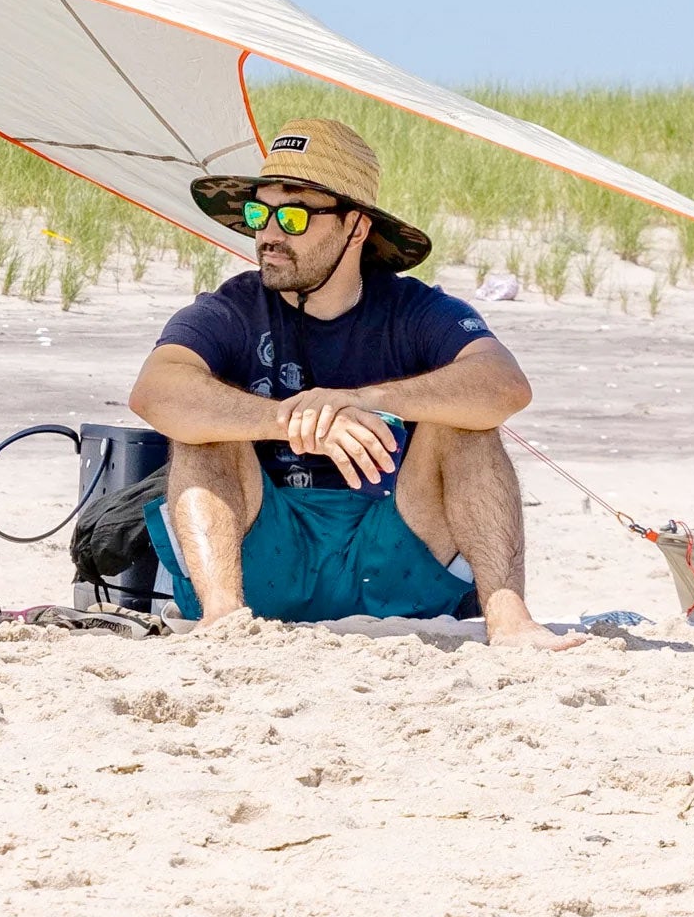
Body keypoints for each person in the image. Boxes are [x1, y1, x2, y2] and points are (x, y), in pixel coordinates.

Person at [129, 118, 584, 651]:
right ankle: (222, 617)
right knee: (202, 427)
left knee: (468, 423)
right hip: (262, 556)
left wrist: (363, 401)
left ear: (356, 227)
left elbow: (505, 385)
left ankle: (510, 619)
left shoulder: (416, 311)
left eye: (293, 215)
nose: (269, 234)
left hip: (393, 549)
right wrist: (292, 419)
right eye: (260, 213)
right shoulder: (231, 308)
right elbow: (154, 391)